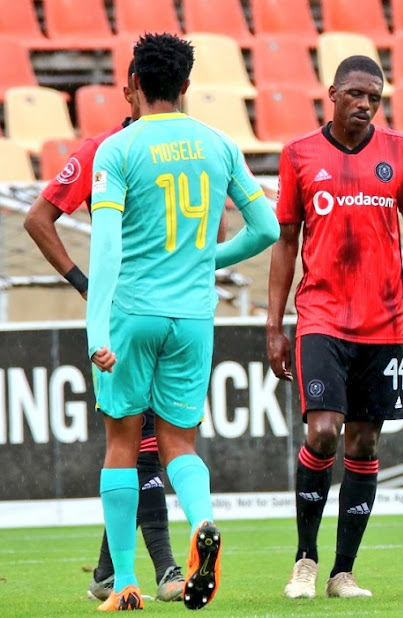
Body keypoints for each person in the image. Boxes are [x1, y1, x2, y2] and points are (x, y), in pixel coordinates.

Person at [86, 33, 279, 611]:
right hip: (194, 317)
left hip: (132, 312)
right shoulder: (218, 144)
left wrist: (97, 331)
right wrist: (203, 258)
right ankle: (203, 523)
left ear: (136, 84)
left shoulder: (118, 150)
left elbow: (107, 250)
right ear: (187, 87)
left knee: (123, 443)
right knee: (179, 442)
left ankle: (123, 582)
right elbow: (267, 228)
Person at [267, 55, 403, 600]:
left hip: (384, 321)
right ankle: (305, 561)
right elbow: (286, 242)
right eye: (357, 94)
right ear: (333, 93)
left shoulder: (400, 152)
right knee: (322, 431)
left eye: (375, 97)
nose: (365, 104)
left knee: (363, 444)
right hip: (321, 317)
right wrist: (274, 325)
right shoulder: (298, 155)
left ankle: (344, 572)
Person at [24, 59, 185, 603]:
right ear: (129, 93)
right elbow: (38, 217)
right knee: (141, 442)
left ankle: (106, 572)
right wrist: (85, 285)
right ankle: (165, 569)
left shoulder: (187, 152)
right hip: (122, 320)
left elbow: (217, 223)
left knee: (150, 442)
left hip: (170, 314)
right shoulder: (99, 153)